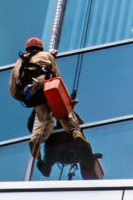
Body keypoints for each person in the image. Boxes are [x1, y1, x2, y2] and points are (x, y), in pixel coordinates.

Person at [8, 38, 102, 180]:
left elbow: (13, 90)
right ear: (40, 48)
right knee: (64, 113)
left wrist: (23, 98)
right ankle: (75, 132)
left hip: (32, 96)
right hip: (45, 88)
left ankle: (36, 141)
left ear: (27, 49)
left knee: (44, 120)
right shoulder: (46, 56)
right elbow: (56, 77)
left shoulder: (18, 63)